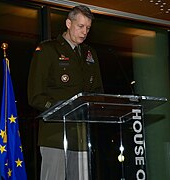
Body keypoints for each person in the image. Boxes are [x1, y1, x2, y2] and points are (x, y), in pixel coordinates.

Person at [28, 5, 104, 180]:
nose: (84, 32)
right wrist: (60, 108)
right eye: (80, 26)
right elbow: (35, 95)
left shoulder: (89, 53)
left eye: (88, 28)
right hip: (55, 135)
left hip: (83, 136)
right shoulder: (47, 50)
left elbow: (97, 91)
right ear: (68, 23)